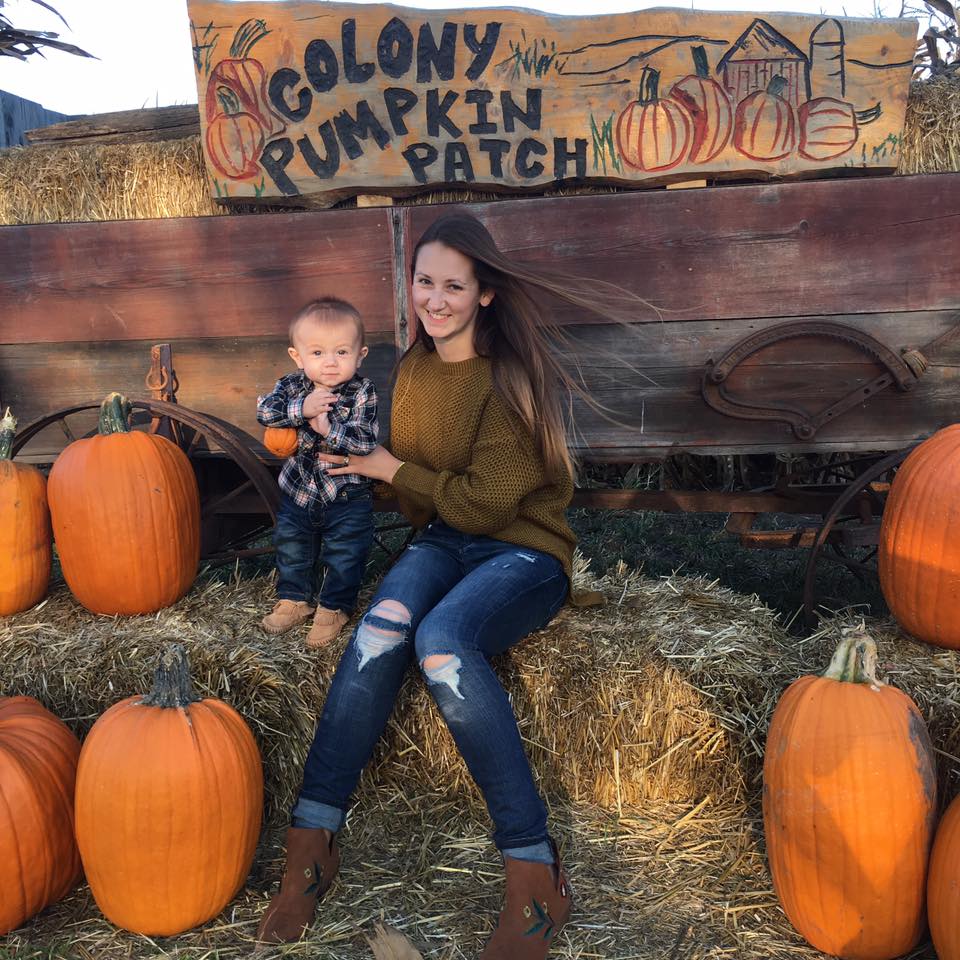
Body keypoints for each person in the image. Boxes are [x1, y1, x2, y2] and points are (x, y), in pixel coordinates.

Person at [257, 214, 638, 958]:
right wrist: (340, 459)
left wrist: (386, 469)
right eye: (424, 281)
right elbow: (430, 505)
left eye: (452, 286)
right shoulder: (413, 370)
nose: (435, 299)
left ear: (484, 294)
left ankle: (535, 873)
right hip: (445, 540)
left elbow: (488, 503)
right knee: (378, 629)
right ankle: (311, 845)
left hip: (522, 553)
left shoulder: (508, 379)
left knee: (442, 642)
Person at [256, 297, 378, 648]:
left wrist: (329, 431)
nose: (329, 363)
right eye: (318, 353)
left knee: (345, 552)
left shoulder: (361, 392)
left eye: (342, 353)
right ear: (298, 356)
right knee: (293, 547)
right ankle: (295, 599)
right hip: (299, 492)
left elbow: (366, 440)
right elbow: (265, 411)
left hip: (346, 495)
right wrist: (302, 409)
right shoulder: (291, 387)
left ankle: (334, 606)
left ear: (360, 354)